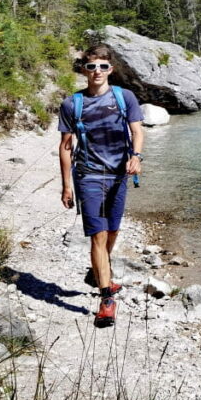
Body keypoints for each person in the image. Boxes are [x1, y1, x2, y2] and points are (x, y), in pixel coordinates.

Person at [58, 44, 143, 328]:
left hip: (118, 175)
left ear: (111, 69)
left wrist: (136, 156)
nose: (97, 72)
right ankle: (106, 299)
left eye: (103, 66)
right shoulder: (73, 104)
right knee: (98, 235)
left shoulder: (124, 97)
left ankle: (99, 270)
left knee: (113, 230)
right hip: (89, 176)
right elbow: (66, 147)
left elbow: (137, 131)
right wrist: (66, 186)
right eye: (91, 66)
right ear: (84, 69)